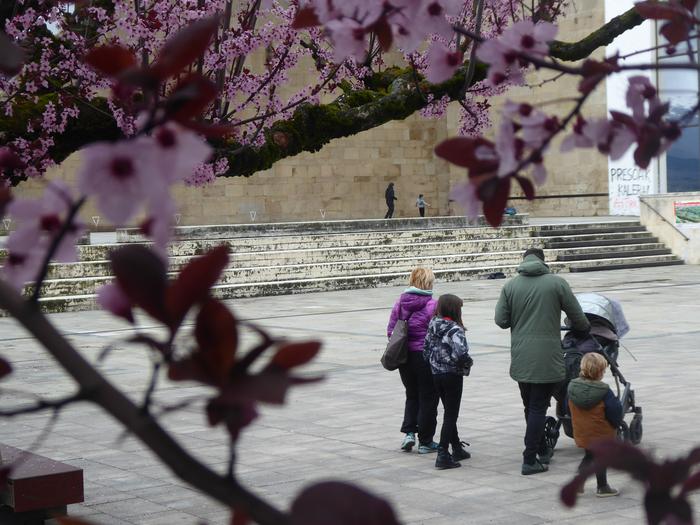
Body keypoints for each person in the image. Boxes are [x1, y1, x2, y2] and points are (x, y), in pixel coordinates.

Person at [494, 247, 590, 475]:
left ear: (523, 260)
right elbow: (578, 317)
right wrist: (584, 329)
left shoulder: (510, 286)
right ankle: (529, 459)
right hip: (547, 358)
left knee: (530, 406)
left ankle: (540, 449)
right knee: (538, 406)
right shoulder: (557, 283)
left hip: (521, 358)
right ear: (543, 261)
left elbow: (501, 320)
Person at [387, 267, 439, 454]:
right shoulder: (433, 304)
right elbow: (437, 333)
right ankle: (425, 441)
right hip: (424, 356)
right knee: (428, 397)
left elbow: (391, 330)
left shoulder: (400, 302)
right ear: (428, 282)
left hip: (404, 356)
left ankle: (409, 433)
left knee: (412, 394)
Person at [423, 294, 472, 470]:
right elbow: (461, 354)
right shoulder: (455, 329)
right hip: (452, 375)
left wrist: (436, 363)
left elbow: (426, 351)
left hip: (436, 374)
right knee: (451, 415)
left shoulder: (432, 325)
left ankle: (457, 447)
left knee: (448, 411)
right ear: (454, 309)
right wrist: (467, 362)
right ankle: (443, 453)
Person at [568, 352, 622, 497]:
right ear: (600, 372)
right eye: (603, 370)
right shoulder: (604, 391)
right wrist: (616, 424)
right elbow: (615, 411)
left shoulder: (572, 387)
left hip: (582, 432)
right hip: (601, 433)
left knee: (589, 455)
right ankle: (602, 487)